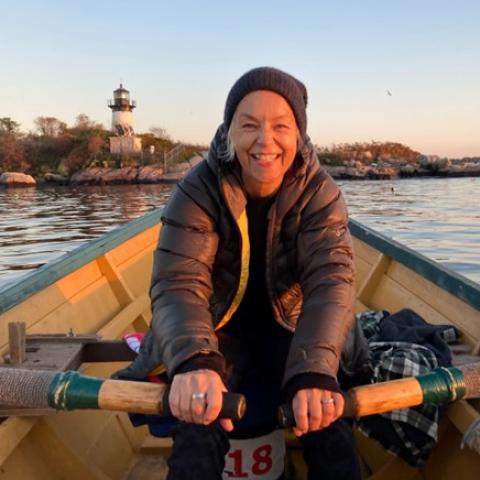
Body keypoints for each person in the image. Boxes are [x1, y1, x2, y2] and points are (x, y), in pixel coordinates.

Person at [123, 66, 360, 479]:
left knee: (325, 416)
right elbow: (179, 282)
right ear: (229, 130)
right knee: (199, 417)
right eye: (249, 124)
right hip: (214, 326)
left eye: (281, 126)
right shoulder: (198, 189)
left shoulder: (321, 193)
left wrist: (315, 371)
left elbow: (331, 283)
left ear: (299, 135)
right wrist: (195, 361)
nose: (265, 140)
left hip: (291, 325)